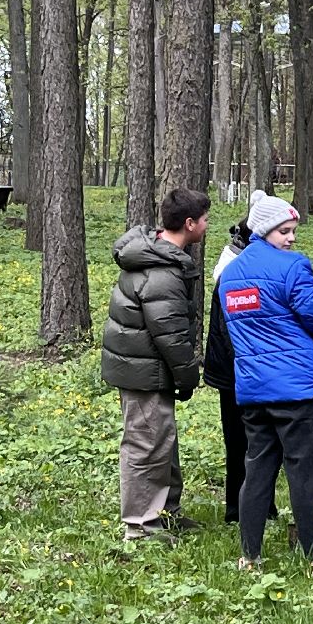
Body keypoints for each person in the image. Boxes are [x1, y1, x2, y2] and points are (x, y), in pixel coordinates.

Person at [221, 190, 313, 574]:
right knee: (304, 474)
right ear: (265, 230)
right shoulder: (292, 268)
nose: (291, 238)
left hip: (254, 390)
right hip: (296, 390)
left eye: (293, 231)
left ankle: (250, 555)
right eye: (284, 231)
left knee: (257, 471)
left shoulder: (230, 275)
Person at [100, 188, 210, 541]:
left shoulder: (159, 256)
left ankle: (166, 513)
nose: (208, 226)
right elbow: (171, 335)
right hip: (143, 371)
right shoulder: (161, 270)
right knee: (145, 445)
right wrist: (188, 375)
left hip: (146, 367)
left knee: (162, 441)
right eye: (205, 220)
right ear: (189, 224)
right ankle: (141, 526)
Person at [204, 217, 276, 525]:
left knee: (259, 441)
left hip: (247, 369)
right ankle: (238, 507)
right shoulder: (234, 272)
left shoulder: (244, 265)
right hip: (237, 371)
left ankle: (260, 505)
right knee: (242, 441)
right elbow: (231, 331)